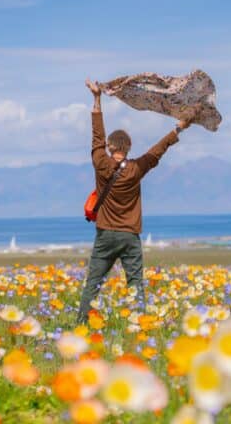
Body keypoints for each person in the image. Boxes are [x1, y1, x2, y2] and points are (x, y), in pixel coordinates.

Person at [76, 78, 192, 324]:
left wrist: (97, 98)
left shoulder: (101, 162)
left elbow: (96, 136)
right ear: (128, 148)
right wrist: (178, 129)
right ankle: (140, 326)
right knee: (135, 283)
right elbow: (156, 151)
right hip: (130, 235)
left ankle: (81, 326)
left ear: (109, 147)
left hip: (105, 233)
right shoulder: (136, 169)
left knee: (93, 283)